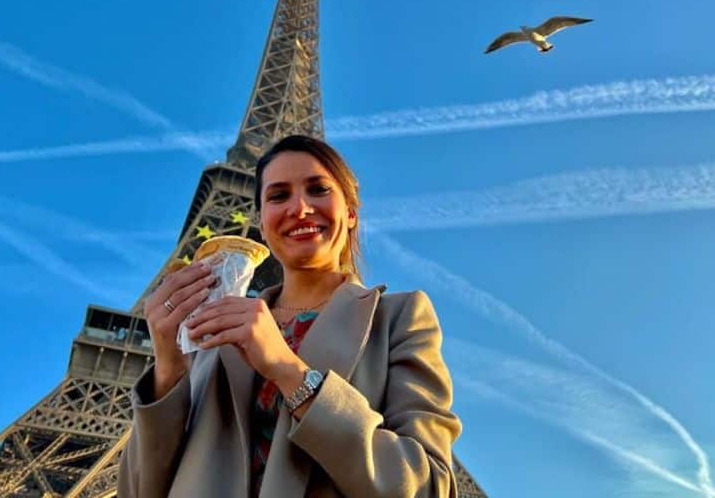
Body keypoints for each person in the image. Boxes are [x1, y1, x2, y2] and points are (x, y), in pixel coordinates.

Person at [118, 135, 462, 498]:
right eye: (278, 196)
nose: (299, 208)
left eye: (318, 190)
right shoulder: (215, 338)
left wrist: (288, 370)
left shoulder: (397, 318)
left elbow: (430, 487)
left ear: (350, 214)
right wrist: (169, 368)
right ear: (262, 225)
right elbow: (138, 492)